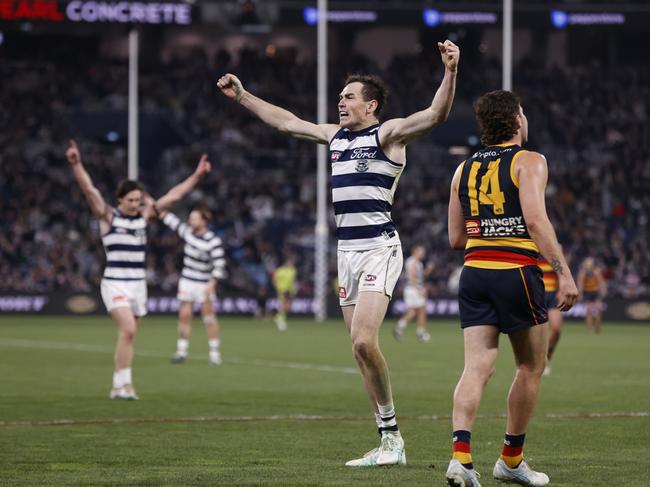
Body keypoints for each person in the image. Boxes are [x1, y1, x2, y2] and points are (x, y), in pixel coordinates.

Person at [217, 40, 459, 467]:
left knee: (366, 339)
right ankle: (389, 440)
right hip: (346, 252)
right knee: (358, 348)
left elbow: (435, 115)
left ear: (372, 106)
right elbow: (287, 123)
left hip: (378, 248)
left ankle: (393, 442)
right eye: (340, 96)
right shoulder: (333, 137)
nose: (340, 102)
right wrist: (242, 96)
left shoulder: (387, 134)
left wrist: (450, 72)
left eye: (348, 97)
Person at [446, 90, 578, 486]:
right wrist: (565, 273)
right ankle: (510, 460)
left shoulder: (463, 169)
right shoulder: (530, 161)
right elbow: (536, 222)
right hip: (516, 271)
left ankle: (460, 458)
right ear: (517, 120)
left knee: (476, 367)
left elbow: (455, 238)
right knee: (530, 366)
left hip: (473, 273)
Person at [65, 140, 211, 400]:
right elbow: (89, 190)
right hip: (115, 283)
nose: (136, 204)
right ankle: (123, 385)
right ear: (120, 199)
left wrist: (197, 176)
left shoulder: (144, 218)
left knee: (128, 336)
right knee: (129, 329)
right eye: (131, 200)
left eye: (138, 200)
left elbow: (174, 196)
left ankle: (120, 385)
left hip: (138, 285)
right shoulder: (108, 217)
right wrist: (77, 164)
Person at [162, 205, 226, 365]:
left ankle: (214, 353)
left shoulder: (213, 241)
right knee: (184, 316)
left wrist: (212, 282)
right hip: (188, 281)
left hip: (204, 283)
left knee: (209, 318)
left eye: (194, 218)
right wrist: (158, 208)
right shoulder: (188, 233)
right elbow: (172, 221)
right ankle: (181, 351)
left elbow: (220, 264)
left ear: (204, 221)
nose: (190, 221)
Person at [394, 244, 433, 342]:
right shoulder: (412, 261)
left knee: (413, 312)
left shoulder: (418, 263)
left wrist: (428, 270)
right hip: (412, 289)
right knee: (421, 311)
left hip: (412, 288)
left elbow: (421, 276)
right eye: (421, 251)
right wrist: (419, 289)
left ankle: (399, 328)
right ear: (415, 252)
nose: (423, 253)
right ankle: (421, 333)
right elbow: (411, 276)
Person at [538, 255, 563, 376]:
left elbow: (561, 268)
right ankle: (532, 363)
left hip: (552, 295)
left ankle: (547, 357)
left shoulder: (551, 249)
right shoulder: (529, 245)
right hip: (536, 294)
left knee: (556, 329)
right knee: (535, 333)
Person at [577, 257, 607, 334]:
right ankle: (589, 329)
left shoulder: (596, 271)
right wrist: (580, 293)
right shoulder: (583, 272)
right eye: (587, 263)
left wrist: (603, 290)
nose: (588, 265)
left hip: (596, 292)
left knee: (598, 310)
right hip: (587, 292)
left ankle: (598, 327)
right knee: (589, 311)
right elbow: (580, 283)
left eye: (589, 263)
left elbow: (601, 281)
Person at [272, 256, 297, 331]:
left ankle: (279, 318)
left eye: (292, 262)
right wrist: (278, 289)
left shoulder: (293, 270)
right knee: (284, 305)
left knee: (288, 307)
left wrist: (293, 290)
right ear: (285, 262)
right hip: (281, 290)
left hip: (289, 291)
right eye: (290, 262)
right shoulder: (279, 271)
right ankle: (280, 321)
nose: (291, 263)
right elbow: (274, 281)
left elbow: (293, 281)